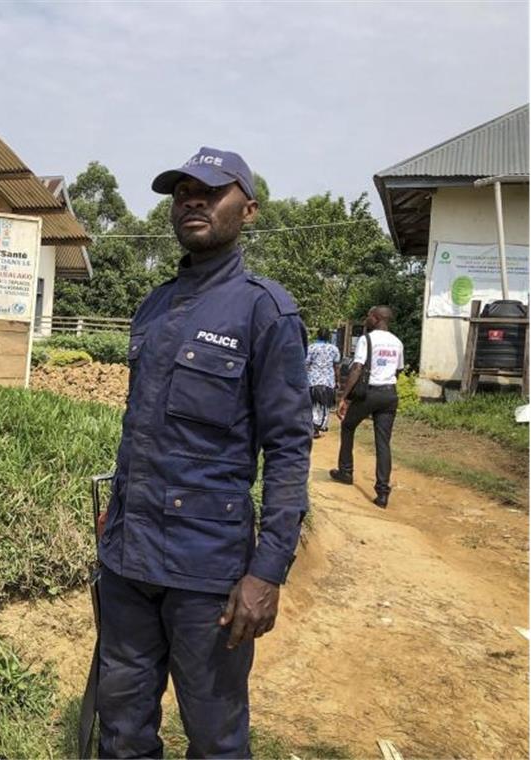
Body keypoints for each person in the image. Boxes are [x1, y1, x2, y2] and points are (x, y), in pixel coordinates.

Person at [95, 147, 312, 758]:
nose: (192, 200)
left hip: (207, 576)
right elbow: (140, 433)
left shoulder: (264, 310)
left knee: (215, 738)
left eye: (210, 191)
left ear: (248, 210)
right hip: (129, 564)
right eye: (182, 191)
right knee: (123, 730)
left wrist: (266, 571)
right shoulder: (155, 305)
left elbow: (290, 451)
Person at [330, 306, 404, 508]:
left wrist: (344, 397)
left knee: (347, 426)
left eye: (369, 315)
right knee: (383, 442)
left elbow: (356, 368)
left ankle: (345, 471)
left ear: (377, 318)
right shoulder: (397, 342)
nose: (366, 319)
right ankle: (382, 492)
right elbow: (397, 371)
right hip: (389, 395)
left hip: (369, 394)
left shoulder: (367, 339)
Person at [305, 328, 341, 438]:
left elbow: (306, 363)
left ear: (318, 335)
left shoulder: (311, 347)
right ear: (329, 337)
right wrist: (337, 380)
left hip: (313, 380)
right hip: (327, 381)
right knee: (324, 405)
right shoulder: (334, 349)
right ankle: (318, 426)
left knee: (313, 404)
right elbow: (337, 366)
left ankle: (313, 426)